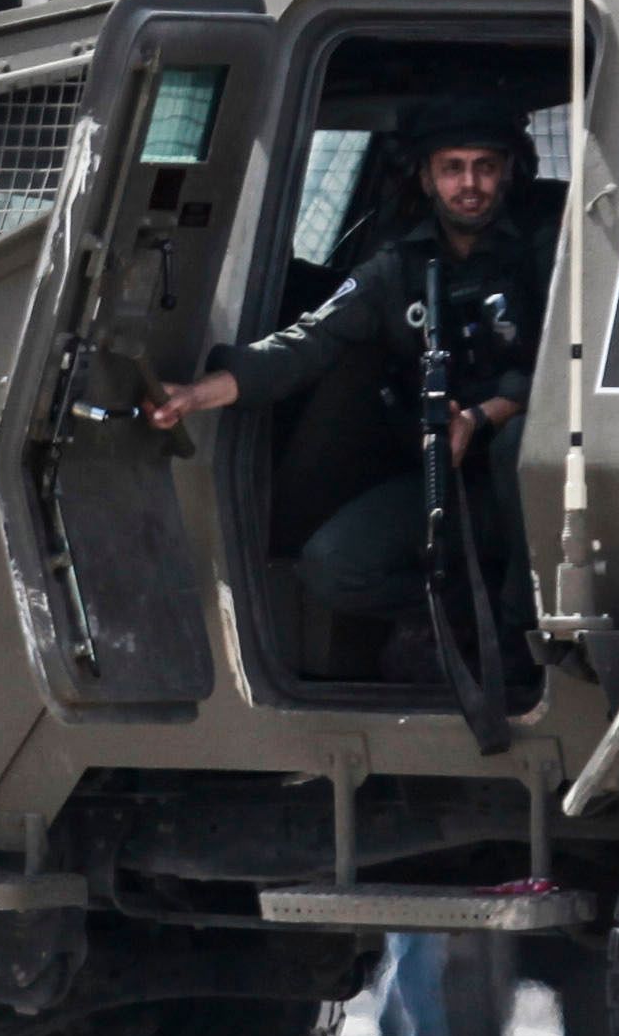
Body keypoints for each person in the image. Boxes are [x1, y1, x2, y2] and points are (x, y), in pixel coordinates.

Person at [148, 103, 547, 679]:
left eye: (485, 167)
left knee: (519, 450)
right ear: (427, 177)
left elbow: (574, 360)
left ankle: (518, 633)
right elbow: (307, 343)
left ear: (507, 170)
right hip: (449, 479)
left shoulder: (545, 246)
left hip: (536, 487)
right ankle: (459, 617)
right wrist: (194, 395)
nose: (469, 184)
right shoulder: (399, 266)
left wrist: (485, 416)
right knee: (333, 566)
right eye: (453, 167)